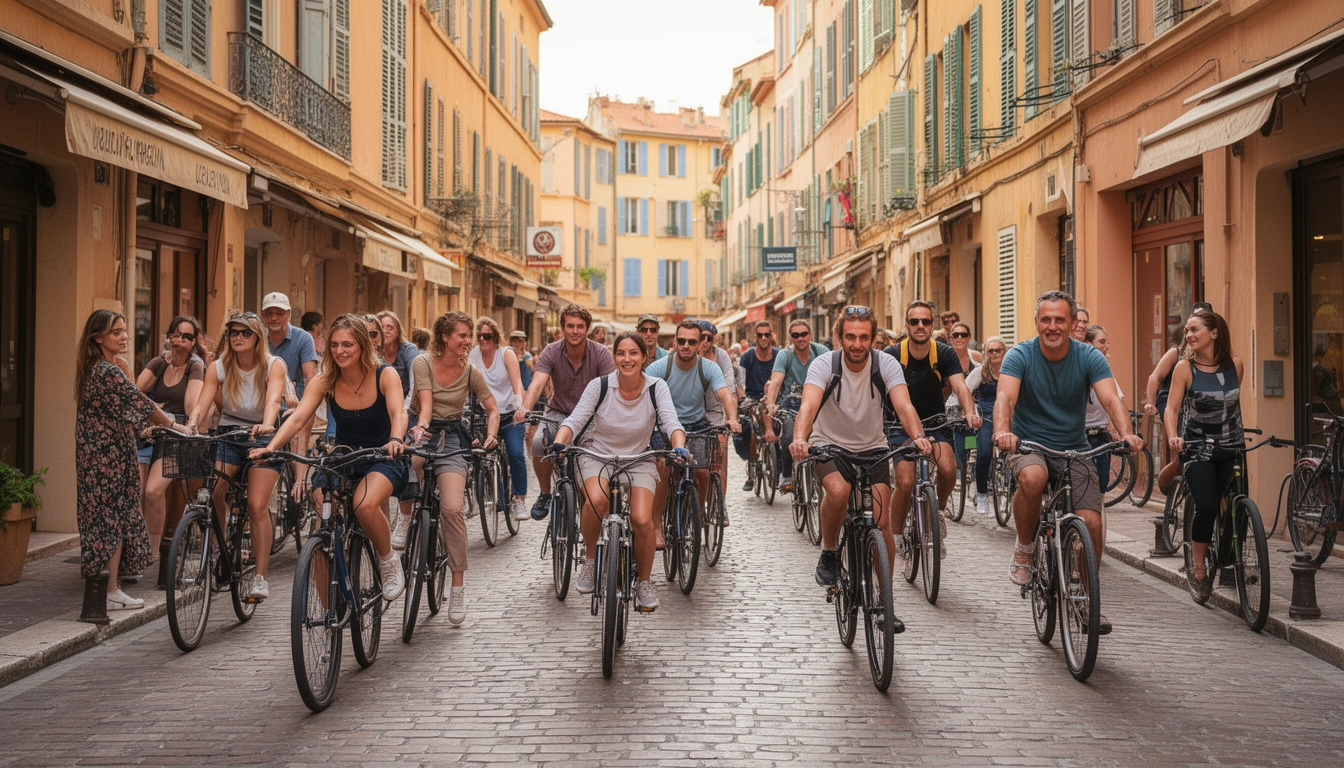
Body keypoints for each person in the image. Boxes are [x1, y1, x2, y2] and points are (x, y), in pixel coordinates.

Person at [993, 291, 1141, 635]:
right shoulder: (1020, 355)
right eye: (1046, 319)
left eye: (1060, 320)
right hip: (1028, 444)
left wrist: (1126, 434)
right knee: (1032, 477)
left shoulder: (1089, 356)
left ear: (1073, 323)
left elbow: (1110, 397)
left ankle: (1089, 603)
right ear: (1036, 323)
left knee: (1090, 522)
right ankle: (1025, 548)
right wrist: (1002, 431)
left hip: (1075, 447)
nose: (1053, 326)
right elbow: (1005, 397)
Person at [253, 314, 410, 601]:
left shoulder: (384, 374)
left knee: (364, 505)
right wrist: (272, 446)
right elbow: (299, 417)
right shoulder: (325, 380)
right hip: (343, 457)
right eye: (335, 344)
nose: (340, 351)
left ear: (363, 345)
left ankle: (388, 561)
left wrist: (396, 439)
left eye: (348, 344)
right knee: (323, 524)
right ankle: (329, 614)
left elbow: (399, 413)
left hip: (381, 456)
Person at [790, 306, 930, 586]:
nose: (857, 344)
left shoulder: (885, 364)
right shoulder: (824, 365)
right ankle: (829, 551)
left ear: (874, 338)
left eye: (864, 337)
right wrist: (800, 439)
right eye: (850, 337)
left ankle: (885, 601)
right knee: (840, 491)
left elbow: (903, 405)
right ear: (839, 338)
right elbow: (808, 405)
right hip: (829, 446)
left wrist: (918, 436)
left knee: (880, 522)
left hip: (872, 449)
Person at [557, 332, 687, 612]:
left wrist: (678, 447)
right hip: (598, 455)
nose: (627, 359)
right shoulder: (600, 385)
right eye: (621, 353)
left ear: (644, 357)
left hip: (639, 458)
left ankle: (643, 582)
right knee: (598, 500)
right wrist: (560, 441)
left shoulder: (656, 387)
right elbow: (575, 419)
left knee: (642, 520)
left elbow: (671, 422)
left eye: (633, 353)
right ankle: (591, 562)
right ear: (614, 357)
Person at [75, 310, 194, 618]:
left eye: (125, 330)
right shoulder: (107, 371)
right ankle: (110, 591)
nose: (125, 336)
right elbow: (138, 402)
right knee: (111, 522)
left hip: (98, 455)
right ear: (98, 337)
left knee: (106, 521)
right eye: (117, 332)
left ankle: (111, 588)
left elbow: (125, 407)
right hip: (107, 458)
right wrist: (174, 425)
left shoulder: (96, 367)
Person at [405, 311, 499, 624]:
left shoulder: (469, 370)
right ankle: (405, 521)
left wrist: (491, 435)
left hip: (454, 441)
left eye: (468, 335)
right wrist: (420, 427)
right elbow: (426, 402)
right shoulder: (422, 362)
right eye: (461, 335)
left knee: (452, 509)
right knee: (408, 462)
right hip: (423, 430)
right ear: (445, 336)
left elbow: (492, 407)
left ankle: (457, 587)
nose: (467, 341)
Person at [186, 312, 288, 601]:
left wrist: (268, 423)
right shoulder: (218, 367)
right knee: (213, 489)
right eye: (233, 333)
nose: (238, 338)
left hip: (264, 435)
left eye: (245, 333)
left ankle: (260, 577)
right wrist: (192, 425)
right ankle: (220, 549)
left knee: (256, 505)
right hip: (231, 433)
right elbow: (203, 402)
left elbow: (273, 399)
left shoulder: (273, 365)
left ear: (258, 337)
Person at [885, 301, 980, 544]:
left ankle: (937, 510)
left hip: (935, 423)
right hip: (900, 425)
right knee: (905, 482)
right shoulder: (893, 355)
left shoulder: (944, 353)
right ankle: (895, 538)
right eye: (914, 321)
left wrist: (970, 412)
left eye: (925, 321)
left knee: (948, 469)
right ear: (906, 325)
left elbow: (960, 385)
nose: (920, 326)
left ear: (932, 325)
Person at [1164, 309, 1244, 593]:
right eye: (1187, 330)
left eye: (1194, 329)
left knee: (1237, 506)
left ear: (1214, 332)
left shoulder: (1235, 365)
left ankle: (1233, 558)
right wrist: (1173, 437)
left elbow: (1230, 406)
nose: (1189, 335)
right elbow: (1171, 409)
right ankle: (1198, 565)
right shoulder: (1185, 368)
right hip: (1197, 448)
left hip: (1232, 446)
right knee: (1208, 504)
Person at [515, 304, 616, 520]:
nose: (575, 331)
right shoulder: (551, 351)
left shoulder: (600, 354)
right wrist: (525, 407)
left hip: (591, 417)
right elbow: (537, 383)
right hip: (559, 412)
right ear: (562, 328)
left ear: (587, 329)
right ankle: (544, 492)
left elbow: (612, 389)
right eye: (570, 326)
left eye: (580, 326)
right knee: (537, 444)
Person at [646, 321, 741, 547]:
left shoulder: (708, 368)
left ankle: (696, 516)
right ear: (674, 342)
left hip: (697, 423)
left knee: (704, 473)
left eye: (692, 342)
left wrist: (732, 418)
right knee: (662, 466)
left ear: (700, 344)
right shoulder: (660, 368)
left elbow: (725, 395)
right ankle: (657, 524)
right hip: (665, 425)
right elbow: (642, 395)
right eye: (681, 341)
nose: (686, 346)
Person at [134, 316, 205, 585]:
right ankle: (137, 551)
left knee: (153, 491)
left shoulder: (195, 367)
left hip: (176, 435)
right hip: (147, 433)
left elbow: (190, 408)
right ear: (169, 336)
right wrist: (154, 414)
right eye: (176, 335)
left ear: (194, 342)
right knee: (136, 491)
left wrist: (161, 414)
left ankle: (155, 552)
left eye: (187, 337)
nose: (180, 341)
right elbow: (136, 393)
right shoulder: (158, 362)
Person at [469, 316, 528, 521]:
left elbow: (516, 383)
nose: (482, 339)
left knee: (515, 453)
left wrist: (521, 407)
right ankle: (500, 497)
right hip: (485, 416)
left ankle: (519, 500)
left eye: (487, 335)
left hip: (510, 413)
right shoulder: (472, 356)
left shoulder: (506, 354)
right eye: (479, 335)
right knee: (485, 456)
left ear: (495, 337)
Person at [764, 319, 829, 492]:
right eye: (795, 335)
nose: (800, 338)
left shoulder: (821, 352)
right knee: (788, 436)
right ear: (791, 338)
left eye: (803, 334)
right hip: (791, 405)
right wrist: (771, 404)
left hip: (818, 406)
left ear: (810, 335)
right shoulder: (785, 355)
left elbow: (833, 377)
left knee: (825, 440)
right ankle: (786, 474)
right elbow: (776, 382)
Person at [697, 320, 740, 511]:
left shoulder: (721, 357)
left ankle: (720, 505)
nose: (705, 342)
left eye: (709, 338)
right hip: (691, 413)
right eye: (701, 337)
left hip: (715, 412)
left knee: (720, 452)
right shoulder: (686, 354)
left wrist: (732, 419)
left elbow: (729, 390)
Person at [964, 337, 1006, 517]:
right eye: (991, 351)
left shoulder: (1010, 371)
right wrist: (972, 412)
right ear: (986, 353)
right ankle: (981, 493)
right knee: (984, 453)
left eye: (998, 350)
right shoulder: (981, 372)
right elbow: (965, 390)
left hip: (1007, 416)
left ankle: (1010, 489)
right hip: (987, 416)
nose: (995, 354)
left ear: (1004, 351)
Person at [1084, 325, 1126, 492]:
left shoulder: (1105, 372)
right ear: (1088, 344)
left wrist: (1122, 434)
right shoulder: (1077, 369)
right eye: (1101, 342)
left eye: (1106, 342)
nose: (1106, 346)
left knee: (1101, 484)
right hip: (1078, 436)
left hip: (1100, 436)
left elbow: (1117, 402)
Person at [737, 320, 779, 487]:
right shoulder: (747, 356)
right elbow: (740, 381)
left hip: (773, 398)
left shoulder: (778, 355)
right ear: (755, 337)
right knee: (753, 430)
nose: (763, 338)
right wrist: (741, 398)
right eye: (760, 335)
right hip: (752, 398)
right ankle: (752, 467)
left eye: (766, 335)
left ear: (771, 336)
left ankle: (779, 465)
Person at [945, 321, 983, 478]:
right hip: (951, 403)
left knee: (972, 432)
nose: (959, 338)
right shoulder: (945, 356)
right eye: (955, 335)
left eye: (963, 335)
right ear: (950, 338)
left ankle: (969, 461)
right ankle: (959, 464)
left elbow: (984, 376)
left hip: (973, 403)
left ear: (969, 338)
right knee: (957, 432)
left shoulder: (976, 357)